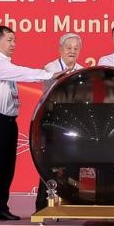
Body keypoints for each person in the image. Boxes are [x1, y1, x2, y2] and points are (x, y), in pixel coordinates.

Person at [0, 25, 57, 222]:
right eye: (9, 40)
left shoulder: (6, 64)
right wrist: (49, 75)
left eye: (14, 40)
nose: (13, 44)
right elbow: (22, 73)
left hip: (8, 122)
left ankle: (1, 208)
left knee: (6, 167)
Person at [35, 33, 84, 211]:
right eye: (68, 48)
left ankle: (72, 202)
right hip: (53, 123)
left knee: (74, 164)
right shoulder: (50, 68)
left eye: (76, 48)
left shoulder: (82, 70)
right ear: (60, 49)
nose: (72, 51)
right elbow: (49, 96)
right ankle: (43, 205)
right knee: (49, 163)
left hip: (74, 125)